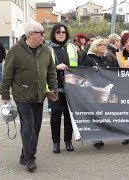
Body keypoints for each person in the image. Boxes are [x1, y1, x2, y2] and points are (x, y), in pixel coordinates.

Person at [0, 21, 58, 172]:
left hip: (39, 96)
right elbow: (6, 75)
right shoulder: (15, 51)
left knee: (36, 127)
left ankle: (24, 155)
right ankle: (30, 158)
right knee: (28, 127)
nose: (44, 36)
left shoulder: (45, 50)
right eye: (41, 33)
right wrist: (5, 94)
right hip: (22, 96)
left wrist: (54, 90)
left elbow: (51, 72)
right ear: (31, 35)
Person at [48, 23, 81, 153]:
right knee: (55, 115)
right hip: (54, 87)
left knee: (69, 116)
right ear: (54, 34)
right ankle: (56, 143)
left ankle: (68, 141)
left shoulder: (73, 47)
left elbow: (80, 65)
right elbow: (42, 67)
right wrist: (56, 67)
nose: (61, 34)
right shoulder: (47, 49)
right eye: (58, 32)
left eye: (63, 32)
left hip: (70, 88)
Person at [82, 38, 119, 149]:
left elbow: (116, 70)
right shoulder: (89, 58)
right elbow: (82, 72)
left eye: (104, 45)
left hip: (109, 89)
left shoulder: (110, 57)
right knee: (96, 114)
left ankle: (109, 133)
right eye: (100, 45)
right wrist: (90, 71)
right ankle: (96, 138)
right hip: (95, 90)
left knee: (108, 113)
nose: (103, 47)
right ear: (95, 47)